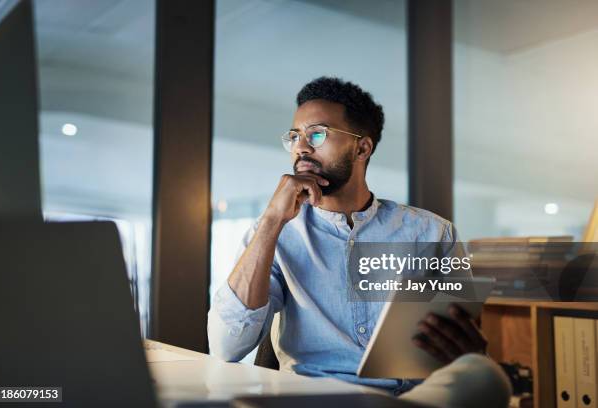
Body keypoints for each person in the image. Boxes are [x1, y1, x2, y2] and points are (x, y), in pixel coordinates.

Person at [208, 77, 511, 407]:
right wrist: (270, 221)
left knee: (487, 377)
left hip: (412, 396)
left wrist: (469, 355)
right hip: (316, 398)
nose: (301, 147)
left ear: (362, 148)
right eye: (295, 136)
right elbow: (226, 346)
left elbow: (462, 346)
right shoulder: (277, 232)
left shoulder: (433, 233)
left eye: (317, 134)